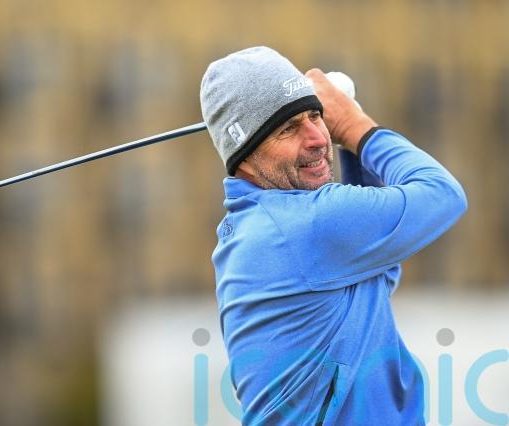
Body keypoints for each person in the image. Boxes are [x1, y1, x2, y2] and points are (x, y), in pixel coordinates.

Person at [199, 46, 467, 425]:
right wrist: (356, 127)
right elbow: (443, 196)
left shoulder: (254, 226)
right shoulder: (308, 225)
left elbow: (377, 273)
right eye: (288, 129)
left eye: (315, 116)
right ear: (245, 155)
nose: (317, 138)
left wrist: (353, 150)